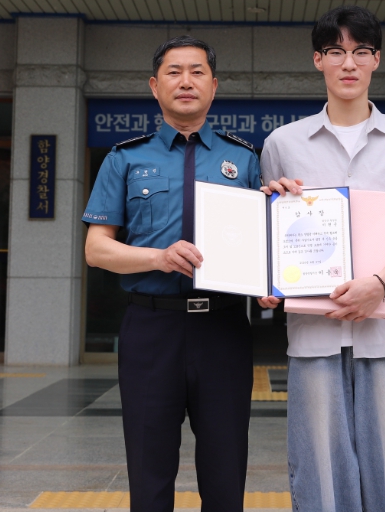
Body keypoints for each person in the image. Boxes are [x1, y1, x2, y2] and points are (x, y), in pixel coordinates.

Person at [259, 6, 385, 512]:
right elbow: (272, 231)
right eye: (336, 51)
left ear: (376, 60)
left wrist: (379, 283)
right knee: (319, 468)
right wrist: (268, 279)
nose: (348, 63)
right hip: (315, 330)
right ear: (317, 59)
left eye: (361, 52)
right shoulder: (282, 143)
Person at [82, 35, 261, 512]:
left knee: (225, 474)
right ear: (154, 85)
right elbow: (96, 249)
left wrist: (272, 285)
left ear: (214, 86)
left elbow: (261, 242)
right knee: (149, 471)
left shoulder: (244, 159)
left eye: (197, 72)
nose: (186, 81)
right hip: (150, 328)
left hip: (223, 328)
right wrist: (158, 258)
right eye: (174, 72)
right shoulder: (124, 158)